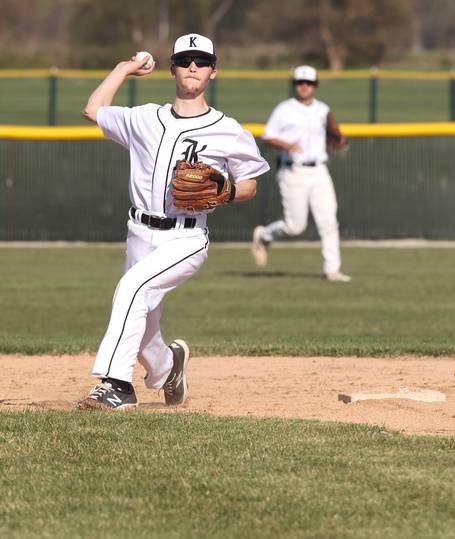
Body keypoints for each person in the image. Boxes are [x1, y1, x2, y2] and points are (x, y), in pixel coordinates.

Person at [78, 33, 270, 409]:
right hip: (138, 231)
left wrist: (227, 191)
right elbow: (93, 109)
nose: (193, 67)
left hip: (186, 238)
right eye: (184, 61)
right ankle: (169, 369)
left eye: (201, 61)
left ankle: (117, 385)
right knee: (145, 325)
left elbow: (250, 186)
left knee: (133, 288)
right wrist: (124, 68)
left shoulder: (228, 129)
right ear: (173, 69)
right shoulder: (144, 118)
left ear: (214, 71)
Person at [251, 65, 350, 282]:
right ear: (295, 85)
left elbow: (335, 136)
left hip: (319, 170)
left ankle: (332, 269)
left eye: (308, 83)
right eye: (300, 82)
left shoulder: (323, 110)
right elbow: (268, 136)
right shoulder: (284, 109)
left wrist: (338, 140)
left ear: (315, 86)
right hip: (293, 171)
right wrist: (287, 144)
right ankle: (264, 235)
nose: (304, 86)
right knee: (296, 226)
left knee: (329, 221)